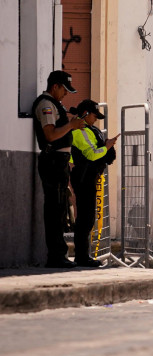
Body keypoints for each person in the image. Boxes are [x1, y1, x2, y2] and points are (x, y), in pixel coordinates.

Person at [32, 70, 87, 268]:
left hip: (60, 162)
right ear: (55, 86)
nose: (66, 94)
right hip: (52, 161)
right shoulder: (46, 104)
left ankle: (59, 254)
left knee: (60, 209)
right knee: (54, 210)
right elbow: (50, 135)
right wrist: (71, 126)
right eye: (64, 89)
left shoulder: (55, 104)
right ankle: (55, 256)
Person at [69, 99, 119, 267]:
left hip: (90, 176)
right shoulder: (79, 130)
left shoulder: (92, 130)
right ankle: (81, 256)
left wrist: (107, 149)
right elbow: (92, 154)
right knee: (85, 218)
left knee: (88, 217)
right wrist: (107, 147)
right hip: (82, 177)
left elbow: (103, 154)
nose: (96, 118)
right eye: (94, 115)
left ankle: (84, 255)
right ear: (85, 114)